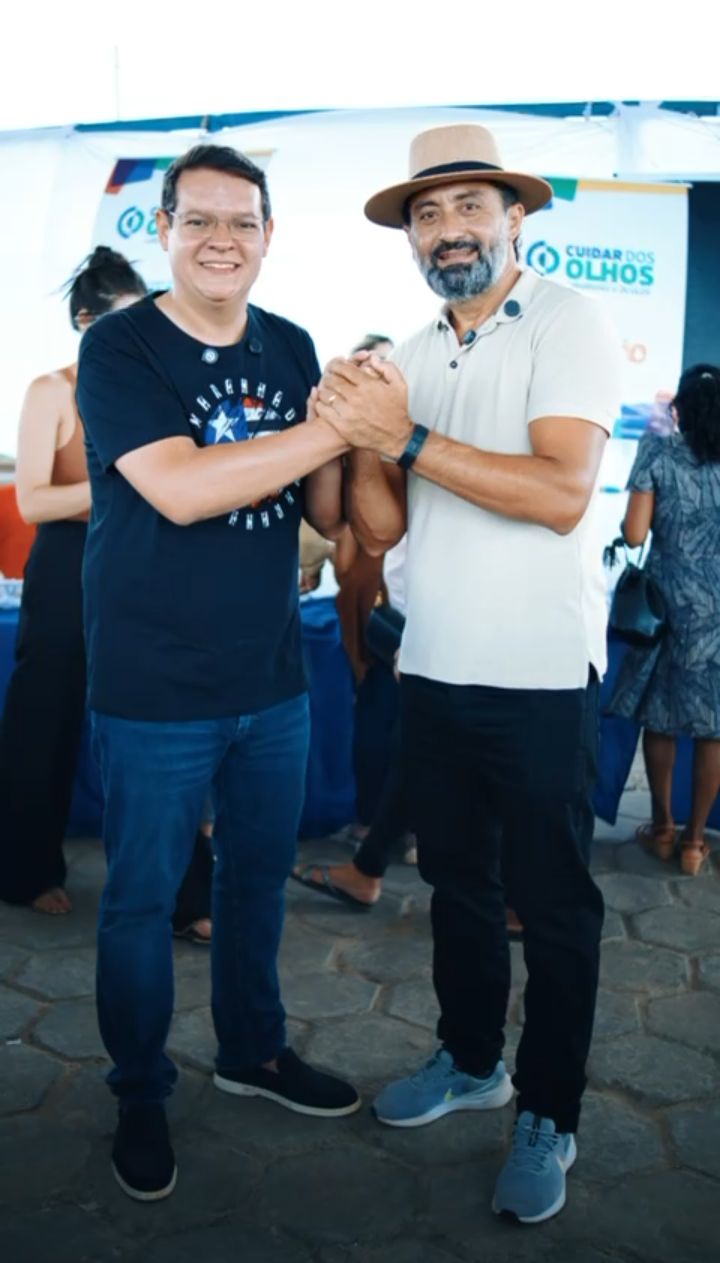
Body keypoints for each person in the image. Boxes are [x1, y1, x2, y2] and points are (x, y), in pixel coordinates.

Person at [312, 123, 622, 1225]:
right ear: (411, 237)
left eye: (469, 207)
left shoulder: (569, 321)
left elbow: (560, 495)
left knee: (554, 905)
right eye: (427, 215)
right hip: (435, 667)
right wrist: (359, 434)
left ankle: (550, 1111)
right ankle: (472, 1058)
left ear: (514, 217)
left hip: (540, 674)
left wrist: (400, 436)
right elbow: (384, 530)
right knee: (457, 888)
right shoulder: (409, 348)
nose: (448, 230)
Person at [75, 144, 359, 1203]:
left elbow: (322, 510)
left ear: (269, 235)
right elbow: (184, 490)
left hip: (271, 679)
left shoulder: (290, 345)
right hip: (154, 682)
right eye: (198, 219)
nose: (221, 240)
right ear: (164, 230)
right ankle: (140, 1091)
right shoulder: (120, 346)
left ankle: (253, 1051)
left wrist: (360, 426)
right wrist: (327, 429)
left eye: (242, 221)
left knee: (256, 883)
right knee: (142, 902)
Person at [0, 248, 147, 915]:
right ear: (87, 321)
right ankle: (27, 871)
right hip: (66, 566)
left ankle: (173, 883)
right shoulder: (52, 390)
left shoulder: (146, 387)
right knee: (45, 721)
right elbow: (33, 501)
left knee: (151, 726)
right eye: (126, 320)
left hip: (138, 563)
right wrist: (130, 485)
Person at [607, 364, 720, 877]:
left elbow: (634, 535)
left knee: (661, 718)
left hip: (668, 606)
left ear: (679, 410)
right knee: (713, 728)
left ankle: (662, 829)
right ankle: (695, 843)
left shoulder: (658, 451)